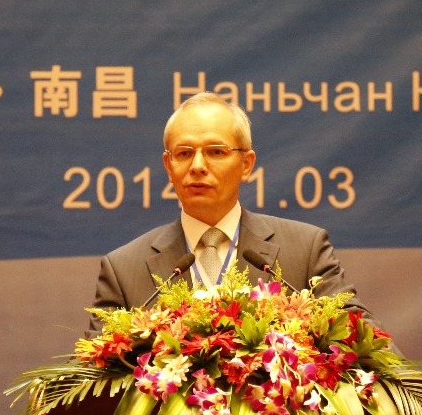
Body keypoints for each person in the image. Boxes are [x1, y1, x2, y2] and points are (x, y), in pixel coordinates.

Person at [92, 92, 372, 320]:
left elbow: (364, 341)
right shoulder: (124, 270)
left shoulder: (305, 251)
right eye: (184, 153)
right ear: (168, 165)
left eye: (216, 152)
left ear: (246, 164)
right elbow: (91, 368)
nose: (197, 166)